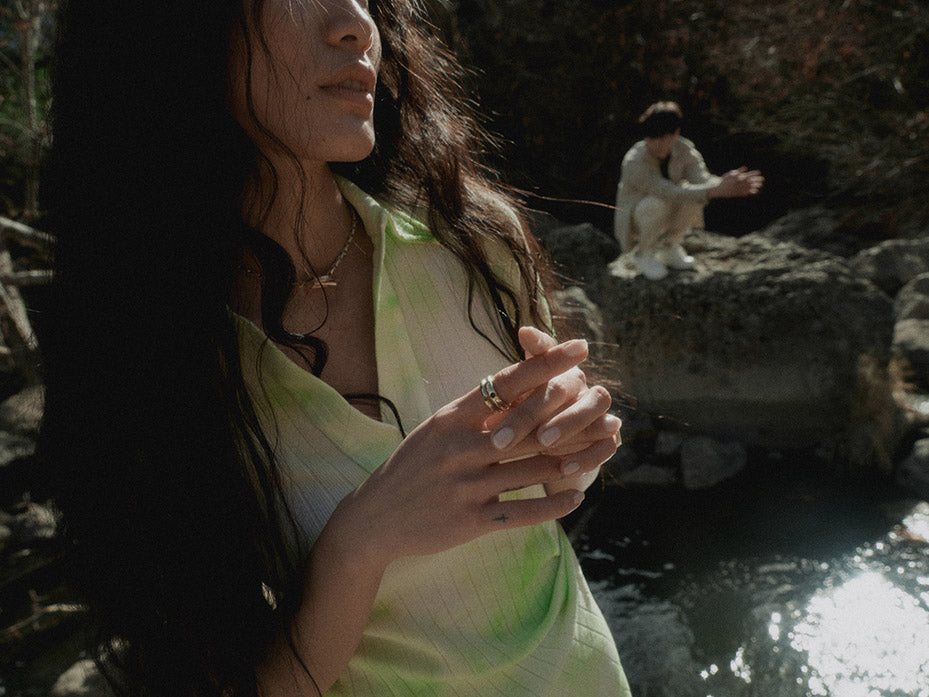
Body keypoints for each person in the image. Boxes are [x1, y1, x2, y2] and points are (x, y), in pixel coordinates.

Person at [39, 1, 632, 696]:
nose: (356, 25)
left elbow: (549, 495)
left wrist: (574, 451)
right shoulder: (149, 364)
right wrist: (357, 545)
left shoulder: (475, 240)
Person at [613, 101, 764, 280]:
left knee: (694, 194)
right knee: (658, 201)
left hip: (668, 211)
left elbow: (703, 180)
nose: (657, 144)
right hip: (638, 220)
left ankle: (669, 246)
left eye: (664, 137)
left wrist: (728, 183)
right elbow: (665, 191)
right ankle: (644, 254)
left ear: (675, 133)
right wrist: (717, 189)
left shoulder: (685, 150)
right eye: (652, 138)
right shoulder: (634, 161)